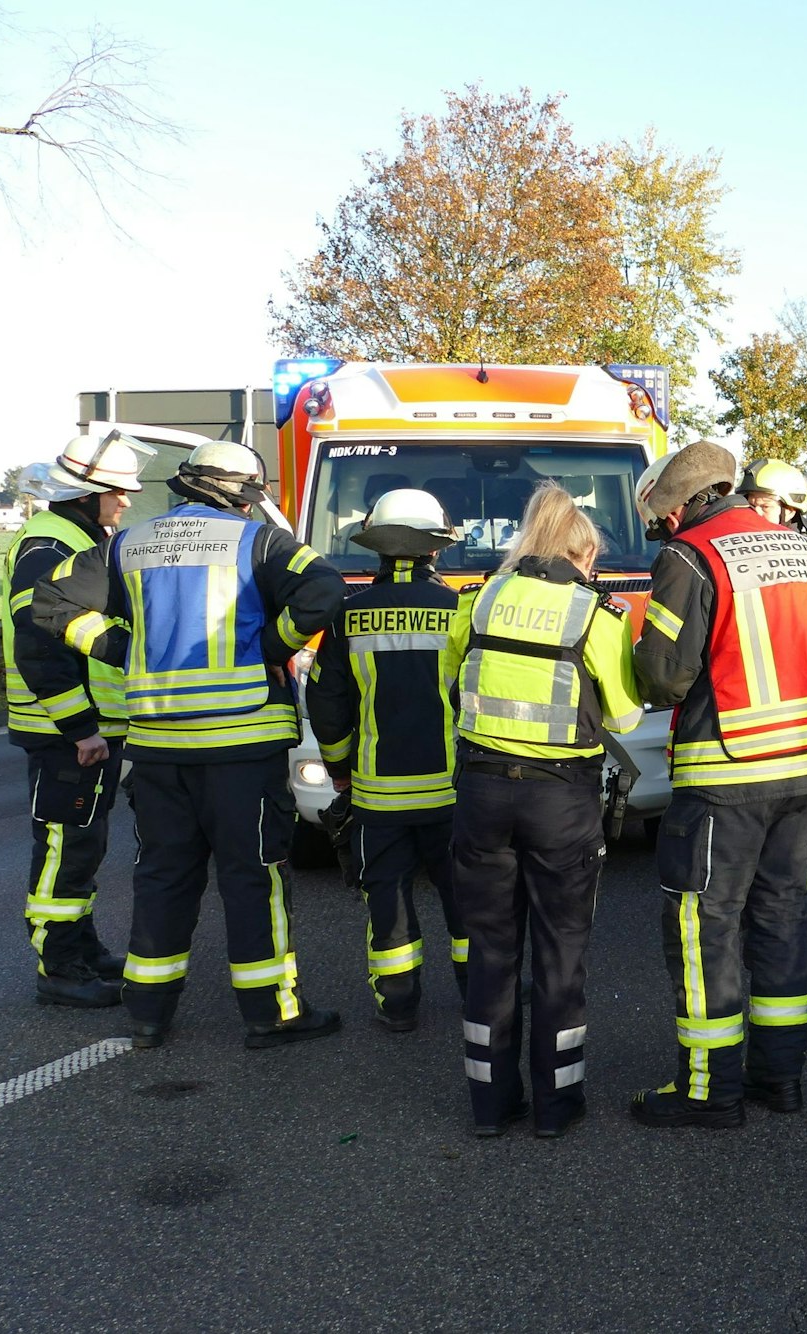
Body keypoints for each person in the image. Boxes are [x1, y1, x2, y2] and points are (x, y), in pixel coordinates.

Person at [34, 441, 347, 1051]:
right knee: (251, 876)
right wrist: (271, 648)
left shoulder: (127, 544)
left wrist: (122, 650)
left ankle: (148, 1012)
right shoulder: (259, 542)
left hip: (156, 748)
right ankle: (271, 1014)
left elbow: (50, 603)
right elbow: (325, 590)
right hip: (242, 744)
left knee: (162, 877)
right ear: (242, 494)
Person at [630, 440, 807, 1129]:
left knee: (705, 926)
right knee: (780, 918)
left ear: (676, 508)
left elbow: (664, 675)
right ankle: (779, 1080)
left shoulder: (689, 555)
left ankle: (709, 1090)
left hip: (728, 770)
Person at [444, 481, 640, 1139]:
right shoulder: (594, 615)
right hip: (560, 800)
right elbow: (625, 713)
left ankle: (490, 1107)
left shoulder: (474, 603)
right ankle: (558, 1108)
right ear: (581, 555)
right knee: (560, 954)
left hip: (481, 794)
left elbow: (456, 688)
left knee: (492, 951)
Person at [304, 489, 468, 1033]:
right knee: (466, 900)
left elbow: (326, 701)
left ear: (376, 548)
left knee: (387, 900)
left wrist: (340, 767)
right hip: (452, 792)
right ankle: (481, 994)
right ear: (435, 550)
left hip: (377, 794)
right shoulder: (459, 610)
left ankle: (398, 1004)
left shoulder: (349, 614)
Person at [2, 434, 143, 1008]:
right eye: (117, 491)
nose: (126, 502)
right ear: (85, 492)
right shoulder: (50, 545)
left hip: (84, 728)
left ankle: (80, 948)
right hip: (65, 731)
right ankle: (58, 967)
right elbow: (38, 640)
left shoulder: (79, 537)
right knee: (64, 846)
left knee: (83, 845)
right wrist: (80, 727)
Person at [735, 460, 807, 539]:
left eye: (765, 506)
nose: (756, 514)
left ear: (790, 511)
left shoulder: (799, 552)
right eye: (751, 506)